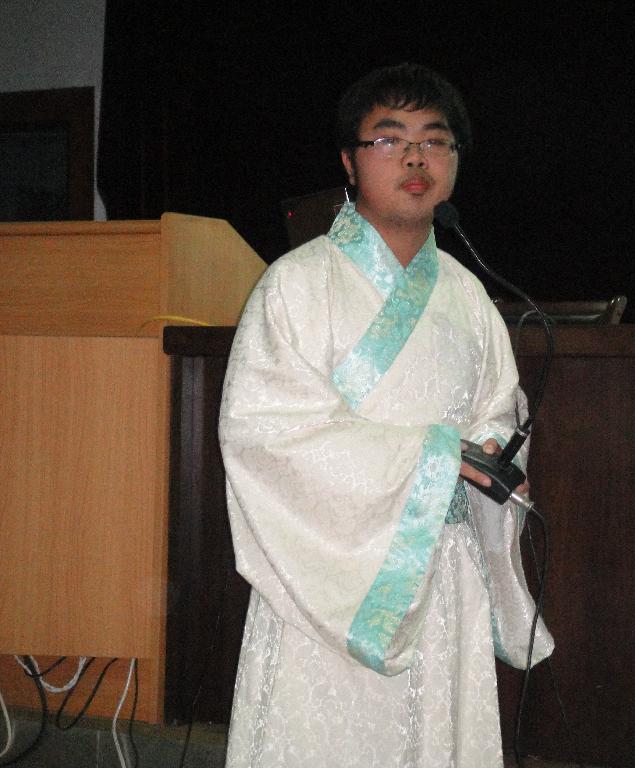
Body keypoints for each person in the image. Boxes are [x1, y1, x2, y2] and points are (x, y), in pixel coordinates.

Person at [219, 62, 552, 768]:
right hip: (330, 574)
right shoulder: (295, 286)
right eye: (390, 139)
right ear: (349, 160)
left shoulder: (468, 296)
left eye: (435, 140)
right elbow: (265, 435)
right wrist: (435, 457)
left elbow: (498, 408)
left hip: (445, 569)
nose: (415, 158)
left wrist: (494, 454)